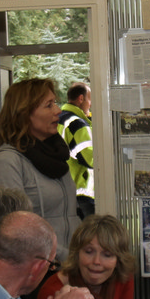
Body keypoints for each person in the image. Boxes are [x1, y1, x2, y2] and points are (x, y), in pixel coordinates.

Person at [0, 78, 79, 263]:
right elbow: (16, 230)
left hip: (69, 264)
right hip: (39, 267)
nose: (58, 110)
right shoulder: (7, 162)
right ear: (24, 114)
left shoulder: (56, 154)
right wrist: (68, 259)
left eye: (55, 103)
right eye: (49, 105)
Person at [35, 214, 142, 299]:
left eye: (107, 255)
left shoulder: (123, 279)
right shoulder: (53, 290)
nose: (96, 261)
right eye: (89, 252)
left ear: (118, 260)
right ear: (77, 254)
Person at [56, 82, 95, 219]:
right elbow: (91, 159)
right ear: (81, 98)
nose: (90, 104)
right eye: (90, 99)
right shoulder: (77, 124)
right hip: (82, 192)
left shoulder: (59, 119)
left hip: (64, 187)